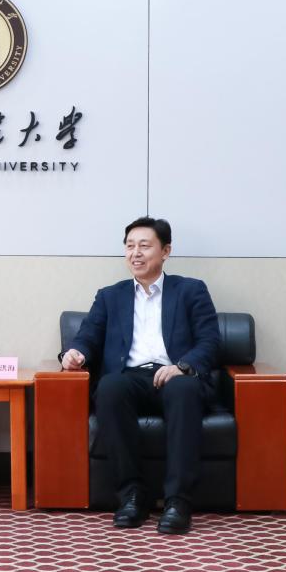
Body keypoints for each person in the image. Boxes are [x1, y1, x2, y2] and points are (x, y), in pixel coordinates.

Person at [61, 217, 220, 534]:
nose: (135, 253)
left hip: (175, 375)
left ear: (165, 251)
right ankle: (132, 495)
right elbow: (88, 336)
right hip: (130, 377)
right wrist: (74, 353)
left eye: (144, 246)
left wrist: (182, 367)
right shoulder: (110, 296)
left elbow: (210, 341)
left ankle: (178, 501)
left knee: (183, 389)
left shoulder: (190, 290)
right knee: (109, 388)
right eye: (130, 246)